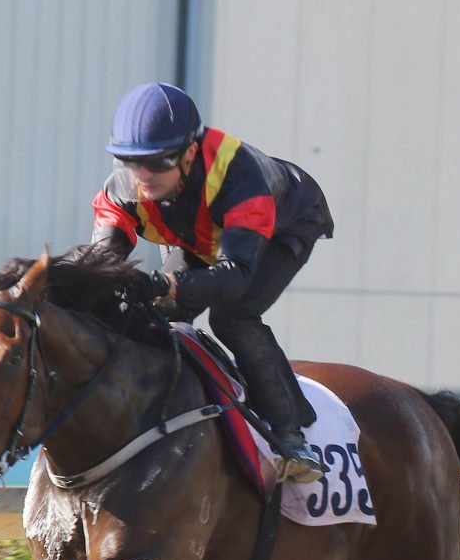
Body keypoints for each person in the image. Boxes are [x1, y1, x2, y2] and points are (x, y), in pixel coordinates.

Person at [91, 82, 333, 483]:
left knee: (232, 316)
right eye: (131, 162)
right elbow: (100, 265)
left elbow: (235, 277)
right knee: (153, 315)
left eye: (159, 163)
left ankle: (291, 437)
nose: (144, 176)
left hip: (282, 226)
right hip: (203, 233)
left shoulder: (241, 178)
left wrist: (164, 283)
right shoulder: (123, 187)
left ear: (189, 152)